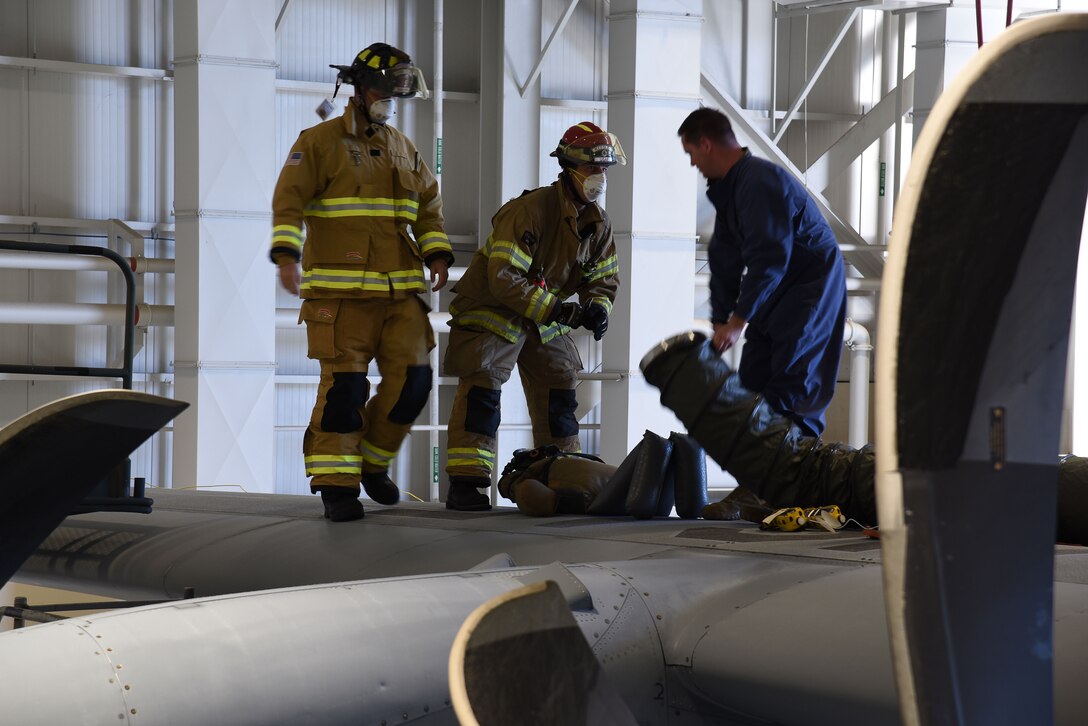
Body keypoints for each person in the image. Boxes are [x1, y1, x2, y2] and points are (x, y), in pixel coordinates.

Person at [270, 43, 454, 522]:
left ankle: (372, 463)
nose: (389, 102)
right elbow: (288, 202)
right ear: (359, 88)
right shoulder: (318, 142)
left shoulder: (402, 147)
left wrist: (436, 251)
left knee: (414, 384)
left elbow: (428, 209)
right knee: (344, 394)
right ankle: (337, 487)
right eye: (384, 91)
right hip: (341, 298)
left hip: (400, 297)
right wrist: (286, 255)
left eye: (395, 95)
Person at [442, 122, 624, 511]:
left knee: (560, 386)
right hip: (493, 308)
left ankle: (563, 478)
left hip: (542, 312)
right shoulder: (529, 211)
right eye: (594, 169)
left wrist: (598, 308)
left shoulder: (598, 223)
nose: (600, 178)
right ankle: (467, 483)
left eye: (605, 169)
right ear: (571, 168)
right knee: (484, 391)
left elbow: (604, 278)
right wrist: (558, 308)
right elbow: (504, 278)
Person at [678, 107, 847, 437]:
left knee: (792, 388)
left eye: (691, 153)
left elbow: (770, 257)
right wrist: (720, 319)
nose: (692, 164)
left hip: (809, 289)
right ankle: (758, 486)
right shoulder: (730, 190)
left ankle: (792, 485)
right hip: (776, 293)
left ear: (706, 144)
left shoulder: (758, 182)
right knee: (753, 384)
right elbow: (724, 259)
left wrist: (738, 321)